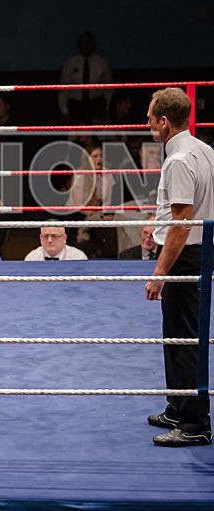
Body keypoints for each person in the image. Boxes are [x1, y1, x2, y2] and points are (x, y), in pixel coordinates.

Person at [144, 87, 213, 447]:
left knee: (184, 340)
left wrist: (159, 273)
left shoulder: (178, 160)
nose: (147, 121)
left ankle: (195, 424)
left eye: (151, 117)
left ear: (165, 122)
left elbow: (182, 224)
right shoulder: (204, 150)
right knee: (178, 335)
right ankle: (178, 407)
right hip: (198, 250)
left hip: (187, 254)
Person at [58, 31, 113, 123]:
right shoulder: (71, 63)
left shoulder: (101, 63)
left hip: (96, 104)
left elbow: (109, 89)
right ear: (78, 45)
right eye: (83, 43)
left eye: (88, 43)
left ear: (93, 45)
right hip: (75, 105)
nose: (86, 46)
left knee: (97, 132)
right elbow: (63, 89)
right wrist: (64, 111)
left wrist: (108, 109)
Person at [24, 225, 88, 261]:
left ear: (64, 238)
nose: (49, 240)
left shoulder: (78, 257)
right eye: (46, 236)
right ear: (41, 238)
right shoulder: (32, 258)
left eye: (54, 236)